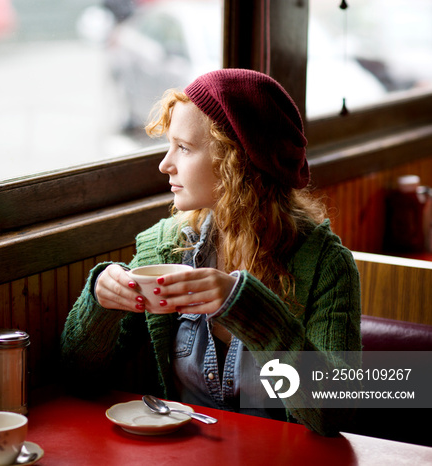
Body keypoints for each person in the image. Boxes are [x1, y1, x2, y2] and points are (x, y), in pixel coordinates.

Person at [60, 68, 362, 436]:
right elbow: (78, 378)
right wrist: (101, 302)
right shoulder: (168, 246)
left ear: (236, 160)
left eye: (184, 148)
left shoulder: (326, 265)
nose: (164, 164)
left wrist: (250, 309)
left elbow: (338, 414)